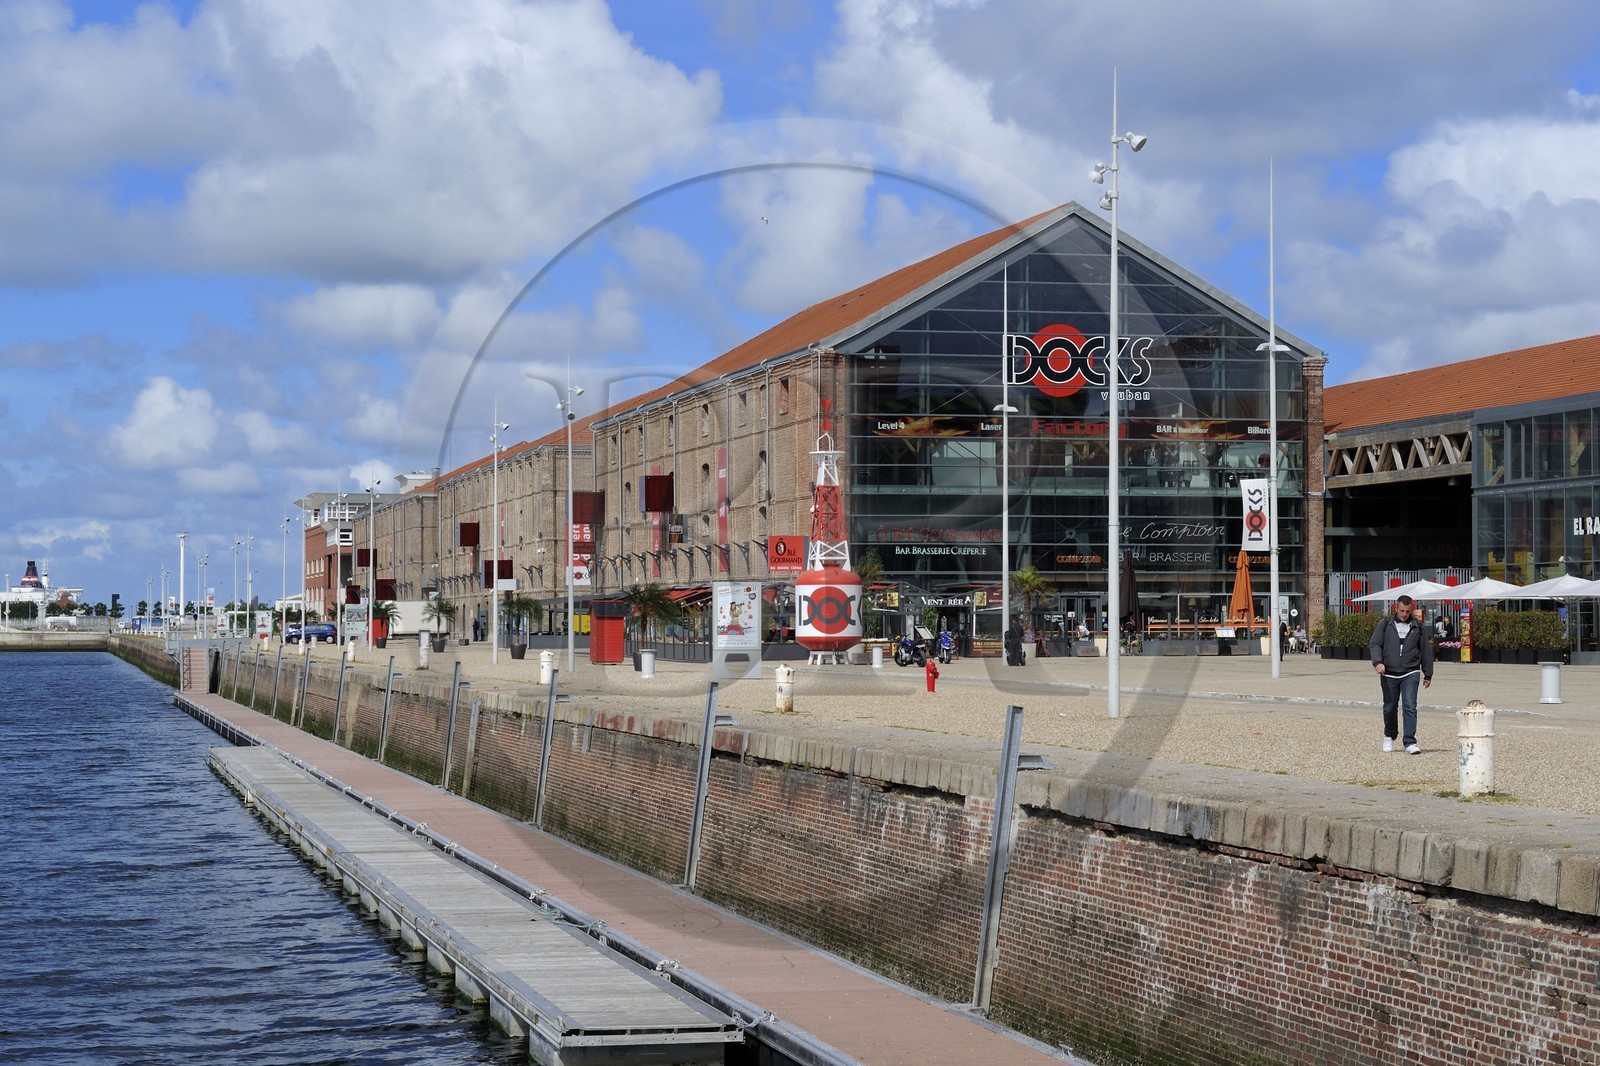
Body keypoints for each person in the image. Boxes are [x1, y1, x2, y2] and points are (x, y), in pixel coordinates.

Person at [1368, 594, 1434, 754]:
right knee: (1389, 707)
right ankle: (1389, 736)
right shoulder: (1385, 624)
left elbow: (1425, 650)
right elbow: (1375, 643)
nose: (1404, 614)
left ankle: (1410, 742)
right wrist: (1378, 662)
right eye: (1402, 610)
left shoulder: (1418, 627)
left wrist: (1428, 674)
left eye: (1407, 611)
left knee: (1410, 706)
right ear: (1395, 608)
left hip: (1410, 672)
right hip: (1389, 673)